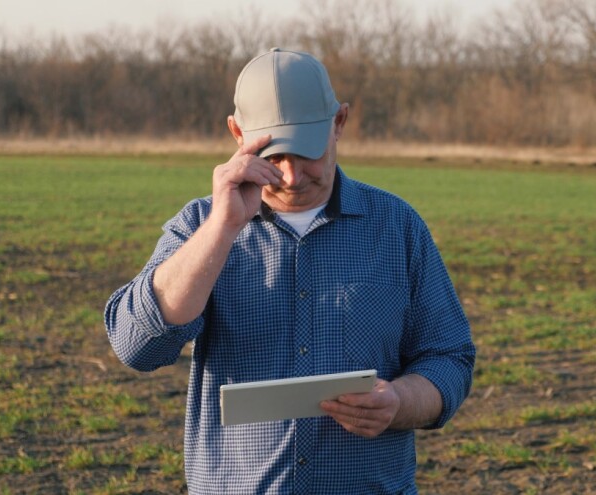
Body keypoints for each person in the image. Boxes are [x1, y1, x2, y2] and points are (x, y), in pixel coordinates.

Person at [104, 47, 475, 494]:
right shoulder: (199, 226)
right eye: (274, 158)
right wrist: (221, 228)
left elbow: (449, 358)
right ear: (237, 134)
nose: (292, 177)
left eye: (307, 154)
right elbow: (136, 346)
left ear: (339, 122)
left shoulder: (397, 226)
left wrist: (399, 401)